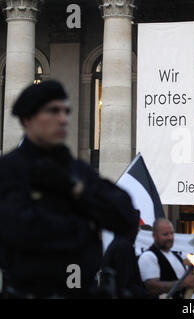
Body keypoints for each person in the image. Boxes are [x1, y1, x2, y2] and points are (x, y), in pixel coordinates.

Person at [0, 80, 140, 298]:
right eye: (53, 111)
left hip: (80, 290)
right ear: (28, 119)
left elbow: (126, 216)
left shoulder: (77, 171)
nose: (63, 119)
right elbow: (22, 231)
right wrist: (85, 225)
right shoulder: (9, 170)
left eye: (66, 111)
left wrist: (76, 191)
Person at [137, 218, 194, 299]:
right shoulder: (148, 256)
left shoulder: (177, 257)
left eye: (172, 233)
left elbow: (186, 285)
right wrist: (183, 283)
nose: (170, 237)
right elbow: (152, 286)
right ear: (154, 236)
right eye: (165, 234)